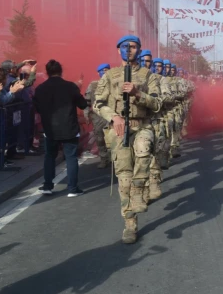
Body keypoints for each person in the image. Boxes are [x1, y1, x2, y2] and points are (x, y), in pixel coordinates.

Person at [94, 35, 161, 244]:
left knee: (143, 148)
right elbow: (97, 103)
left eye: (133, 47)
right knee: (124, 179)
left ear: (139, 50)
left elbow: (157, 104)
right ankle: (130, 224)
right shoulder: (110, 76)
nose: (129, 50)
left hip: (141, 125)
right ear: (118, 50)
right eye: (125, 46)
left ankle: (140, 187)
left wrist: (138, 93)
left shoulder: (148, 75)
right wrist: (113, 117)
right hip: (119, 129)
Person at [33, 60, 88, 197]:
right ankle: (73, 188)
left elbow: (37, 108)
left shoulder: (40, 88)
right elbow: (82, 104)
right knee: (71, 158)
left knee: (49, 157)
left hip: (50, 129)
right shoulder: (70, 87)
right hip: (69, 126)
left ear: (47, 72)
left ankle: (47, 186)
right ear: (61, 71)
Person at [84, 63, 111, 168]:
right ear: (98, 72)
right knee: (100, 139)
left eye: (107, 70)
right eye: (103, 70)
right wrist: (86, 114)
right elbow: (86, 101)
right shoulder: (93, 85)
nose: (105, 72)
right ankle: (104, 159)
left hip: (112, 115)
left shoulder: (115, 84)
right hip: (98, 116)